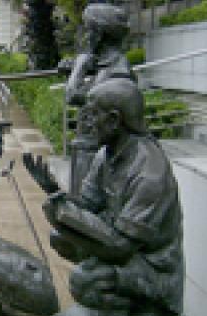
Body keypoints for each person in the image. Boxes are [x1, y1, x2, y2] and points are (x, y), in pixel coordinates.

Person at [29, 78, 184, 316]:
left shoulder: (150, 171)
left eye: (91, 115)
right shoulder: (106, 155)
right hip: (120, 249)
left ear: (113, 121)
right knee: (61, 238)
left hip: (151, 267)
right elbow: (87, 205)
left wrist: (65, 212)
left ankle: (146, 313)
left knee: (84, 281)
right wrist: (54, 192)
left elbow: (121, 247)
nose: (85, 123)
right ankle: (115, 309)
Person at [60, 2, 136, 194]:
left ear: (99, 35)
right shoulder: (104, 66)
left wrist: (78, 68)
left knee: (83, 211)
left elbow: (74, 96)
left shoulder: (118, 71)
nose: (86, 37)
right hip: (87, 149)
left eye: (88, 31)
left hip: (96, 154)